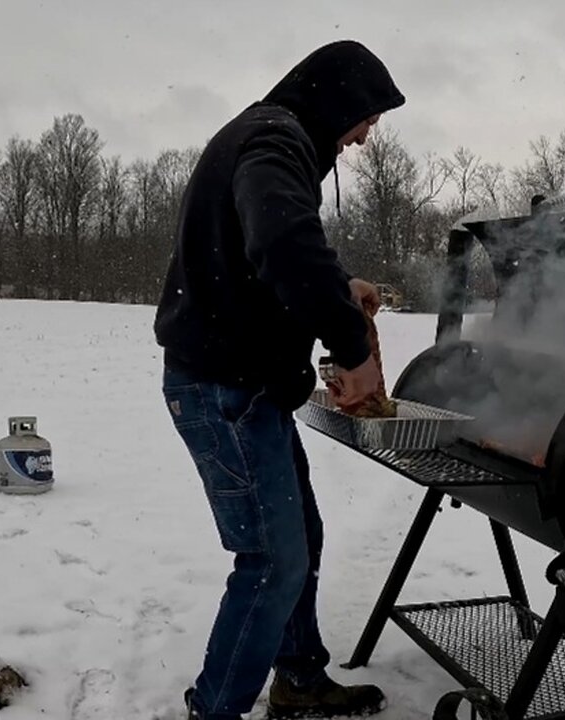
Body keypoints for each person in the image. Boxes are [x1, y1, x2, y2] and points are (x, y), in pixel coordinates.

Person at [153, 40, 406, 720]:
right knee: (270, 559)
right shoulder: (275, 139)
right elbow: (283, 240)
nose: (362, 140)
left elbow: (264, 250)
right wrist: (353, 347)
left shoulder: (265, 136)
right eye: (367, 121)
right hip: (224, 390)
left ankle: (297, 680)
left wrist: (337, 285)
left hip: (245, 384)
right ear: (341, 103)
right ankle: (216, 710)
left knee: (301, 537)